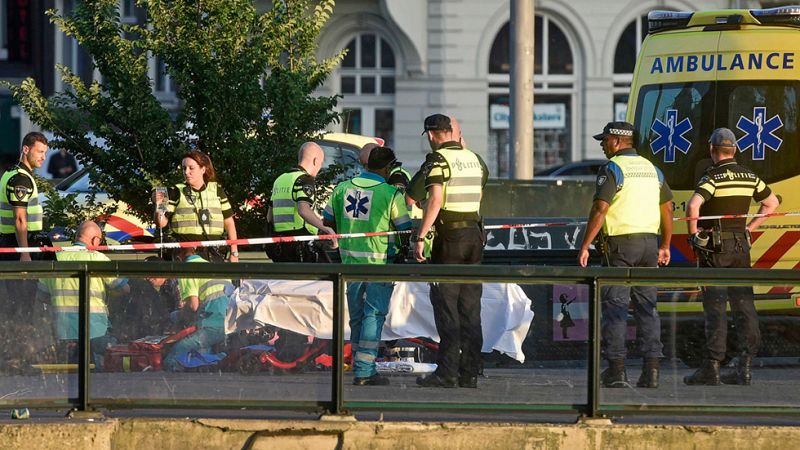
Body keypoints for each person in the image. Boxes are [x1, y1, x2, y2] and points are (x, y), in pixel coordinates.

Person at [578, 121, 673, 389]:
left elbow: (600, 208)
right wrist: (665, 244)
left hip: (620, 246)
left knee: (616, 307)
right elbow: (668, 208)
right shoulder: (652, 169)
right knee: (647, 308)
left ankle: (617, 370)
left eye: (605, 139)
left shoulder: (613, 168)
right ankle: (652, 370)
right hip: (649, 245)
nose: (602, 144)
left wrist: (585, 245)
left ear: (618, 141)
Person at [683, 128, 779, 386]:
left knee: (715, 306)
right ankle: (744, 366)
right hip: (740, 247)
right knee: (744, 304)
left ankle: (712, 366)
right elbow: (772, 203)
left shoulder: (712, 177)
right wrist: (750, 227)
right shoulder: (750, 176)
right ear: (734, 150)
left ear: (712, 150)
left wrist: (694, 237)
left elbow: (693, 205)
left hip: (715, 249)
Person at [323, 146, 412, 385]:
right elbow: (404, 229)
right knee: (373, 315)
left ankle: (358, 366)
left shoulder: (341, 189)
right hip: (379, 263)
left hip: (349, 264)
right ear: (387, 168)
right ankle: (364, 370)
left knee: (356, 317)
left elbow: (327, 221)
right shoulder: (391, 194)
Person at [412, 114, 489, 389]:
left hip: (450, 239)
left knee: (447, 306)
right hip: (474, 236)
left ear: (432, 135)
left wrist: (421, 236)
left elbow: (435, 200)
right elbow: (479, 195)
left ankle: (447, 373)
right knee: (471, 307)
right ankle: (470, 372)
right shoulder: (475, 159)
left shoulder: (438, 160)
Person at [37, 221, 130, 370]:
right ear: (95, 240)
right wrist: (109, 294)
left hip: (63, 329)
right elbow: (124, 288)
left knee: (69, 373)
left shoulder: (56, 259)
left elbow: (42, 295)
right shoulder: (98, 259)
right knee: (99, 370)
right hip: (95, 329)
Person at [154, 150, 239, 262]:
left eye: (191, 168)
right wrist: (159, 206)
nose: (186, 172)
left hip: (214, 253)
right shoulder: (174, 191)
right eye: (184, 168)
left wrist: (234, 252)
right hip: (185, 253)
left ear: (203, 169)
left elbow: (229, 223)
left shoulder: (217, 190)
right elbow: (161, 224)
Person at [163, 246, 232, 372]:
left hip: (213, 324)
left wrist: (177, 323)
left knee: (175, 353)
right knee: (202, 350)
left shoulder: (188, 269)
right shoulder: (213, 267)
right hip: (230, 323)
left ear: (178, 259)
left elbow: (193, 306)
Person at [266, 142, 336, 262]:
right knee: (328, 272)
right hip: (301, 244)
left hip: (281, 246)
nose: (320, 167)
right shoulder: (304, 180)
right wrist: (325, 229)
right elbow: (303, 210)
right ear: (315, 161)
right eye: (321, 163)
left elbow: (269, 216)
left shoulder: (280, 179)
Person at [107, 255, 177, 342]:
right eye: (146, 273)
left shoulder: (174, 283)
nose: (148, 277)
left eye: (151, 272)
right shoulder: (146, 288)